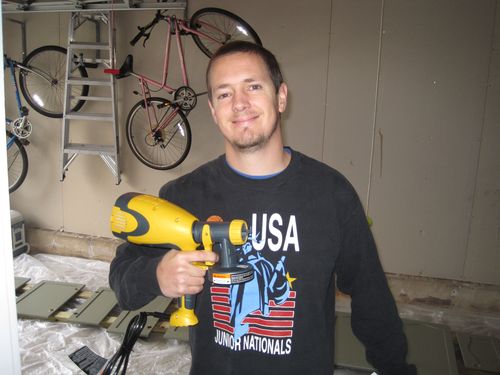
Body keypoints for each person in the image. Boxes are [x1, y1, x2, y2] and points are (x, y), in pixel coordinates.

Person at [109, 41, 417, 375]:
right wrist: (157, 275)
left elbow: (372, 298)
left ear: (281, 97)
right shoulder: (184, 196)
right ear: (213, 110)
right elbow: (122, 279)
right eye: (224, 94)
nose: (240, 104)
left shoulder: (331, 194)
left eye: (253, 87)